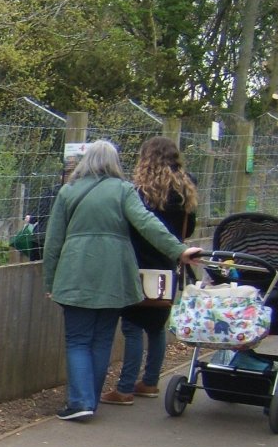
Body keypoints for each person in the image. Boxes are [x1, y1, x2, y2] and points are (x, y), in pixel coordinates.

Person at [41, 139, 201, 421]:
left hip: (75, 270)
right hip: (115, 275)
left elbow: (53, 242)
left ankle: (79, 402)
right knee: (102, 339)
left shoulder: (68, 192)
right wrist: (179, 251)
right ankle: (91, 400)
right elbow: (149, 224)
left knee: (78, 340)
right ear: (115, 162)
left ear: (86, 161)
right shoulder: (125, 190)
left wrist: (51, 283)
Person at [100, 137, 199, 406]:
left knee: (132, 326)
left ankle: (124, 388)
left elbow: (131, 225)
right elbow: (187, 230)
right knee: (156, 326)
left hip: (137, 262)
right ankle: (150, 382)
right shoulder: (186, 186)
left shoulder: (139, 189)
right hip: (168, 263)